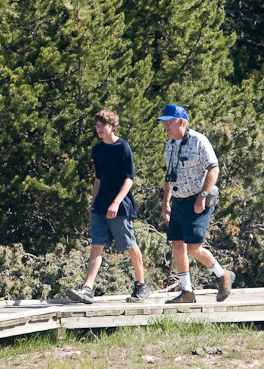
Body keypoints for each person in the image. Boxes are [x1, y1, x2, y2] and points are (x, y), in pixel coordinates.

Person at [67, 109, 152, 304]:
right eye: (97, 126)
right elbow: (98, 179)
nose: (99, 129)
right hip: (101, 206)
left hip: (120, 208)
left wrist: (116, 202)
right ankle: (87, 288)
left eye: (102, 125)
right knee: (97, 245)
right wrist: (93, 204)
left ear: (113, 126)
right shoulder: (97, 149)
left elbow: (129, 179)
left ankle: (142, 285)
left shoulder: (123, 147)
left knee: (129, 244)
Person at [157, 104, 233, 304]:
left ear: (181, 122)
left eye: (169, 121)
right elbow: (168, 176)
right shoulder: (169, 145)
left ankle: (222, 274)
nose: (166, 126)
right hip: (178, 201)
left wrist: (202, 195)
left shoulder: (199, 141)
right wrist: (165, 203)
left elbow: (213, 169)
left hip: (198, 201)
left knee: (194, 247)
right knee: (177, 244)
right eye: (164, 122)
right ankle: (187, 291)